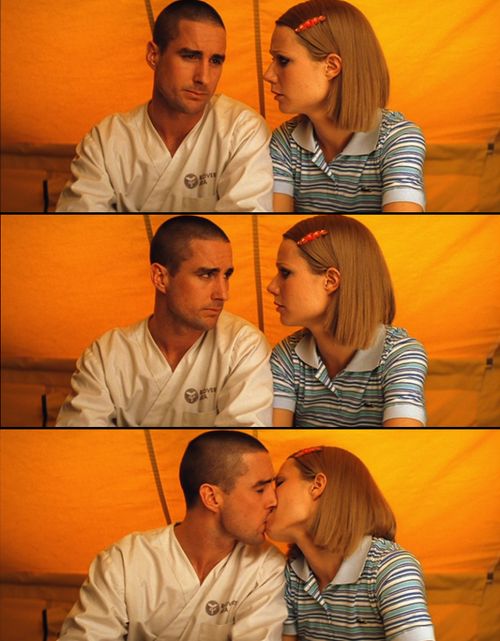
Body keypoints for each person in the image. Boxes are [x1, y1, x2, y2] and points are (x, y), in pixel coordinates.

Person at [58, 430, 288, 641]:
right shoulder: (124, 560)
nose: (273, 500)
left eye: (273, 487)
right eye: (260, 489)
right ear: (212, 497)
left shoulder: (266, 568)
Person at [56, 0, 273, 212]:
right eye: (189, 56)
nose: (204, 78)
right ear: (154, 55)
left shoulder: (242, 130)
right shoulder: (105, 141)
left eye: (215, 61)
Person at [56, 215, 273, 427]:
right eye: (206, 275)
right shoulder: (106, 355)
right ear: (160, 278)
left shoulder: (243, 346)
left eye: (227, 275)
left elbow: (233, 449)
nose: (223, 294)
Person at [263, 0, 426, 213]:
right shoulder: (284, 142)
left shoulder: (398, 139)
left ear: (331, 66)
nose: (268, 74)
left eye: (283, 60)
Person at [267, 215, 428, 427]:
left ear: (331, 281)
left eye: (285, 273)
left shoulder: (401, 355)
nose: (272, 286)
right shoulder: (286, 357)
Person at [266, 445, 436, 641]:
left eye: (279, 482)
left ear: (317, 486)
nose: (269, 498)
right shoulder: (291, 576)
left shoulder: (391, 568)